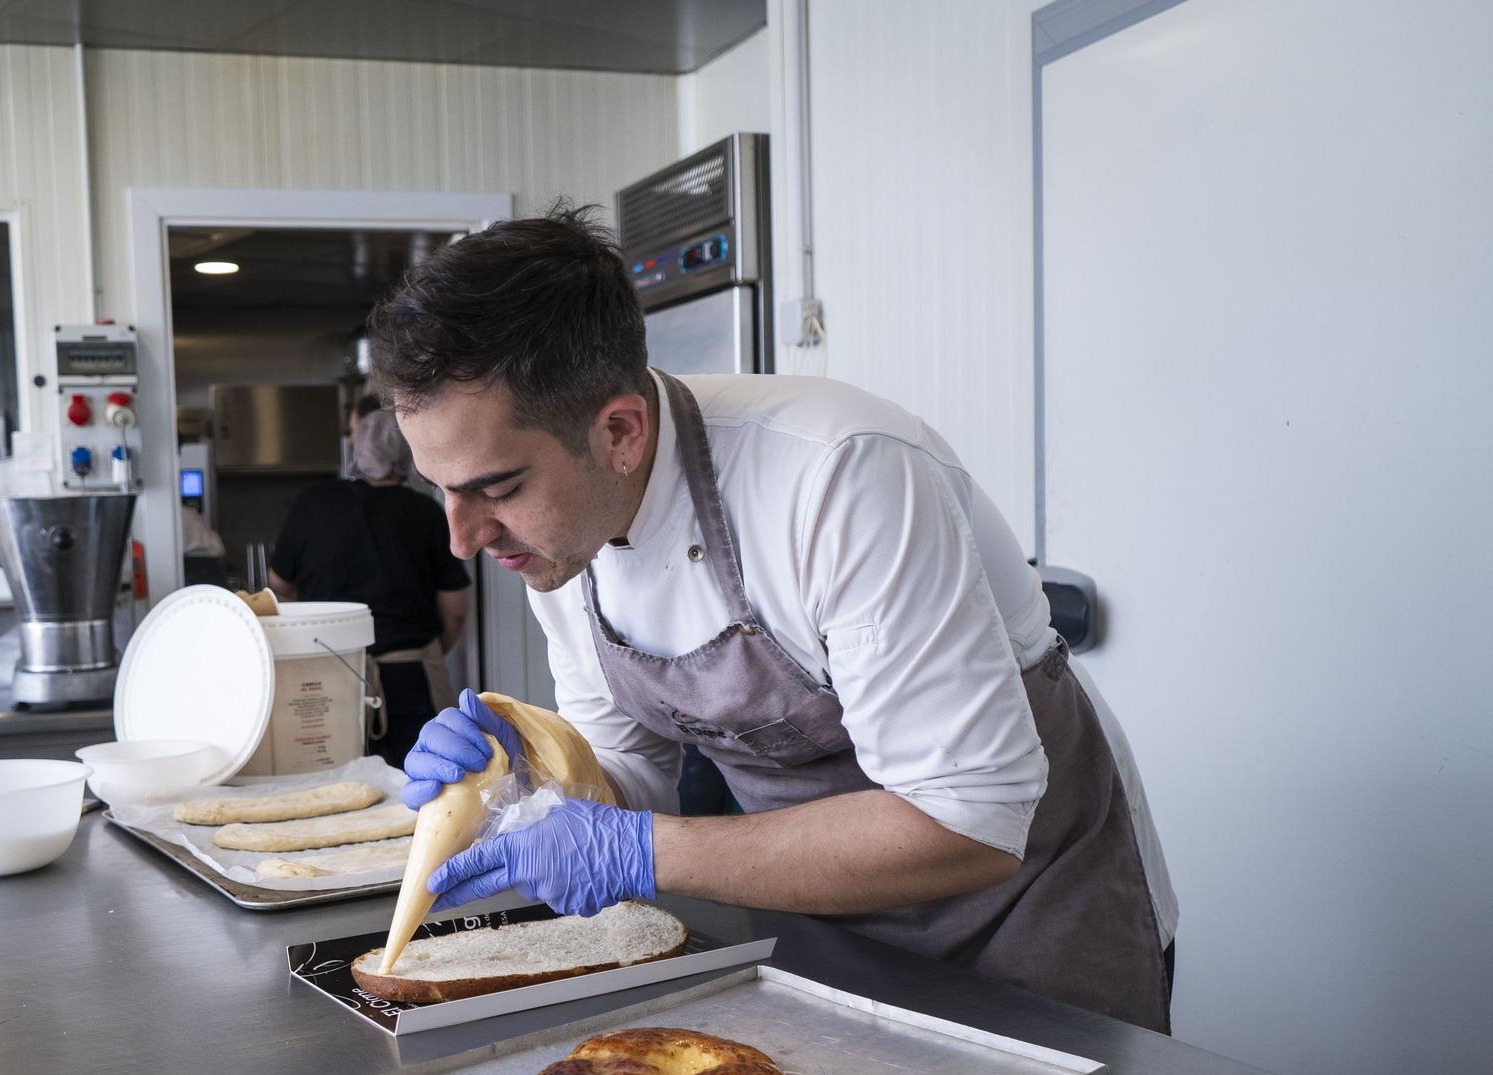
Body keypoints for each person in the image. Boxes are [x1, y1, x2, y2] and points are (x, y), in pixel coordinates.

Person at [373, 206, 1177, 1032]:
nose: (462, 538)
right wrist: (533, 778)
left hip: (1031, 921)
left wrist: (641, 853)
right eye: (443, 488)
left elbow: (968, 817)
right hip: (825, 919)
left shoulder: (838, 477)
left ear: (619, 431)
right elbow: (631, 765)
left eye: (496, 489)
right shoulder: (560, 537)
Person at [267, 406, 471, 767]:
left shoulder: (313, 502)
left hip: (330, 675)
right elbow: (454, 611)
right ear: (410, 453)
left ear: (357, 449)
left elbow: (277, 583)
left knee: (334, 785)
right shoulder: (425, 512)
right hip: (411, 675)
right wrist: (426, 652)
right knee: (426, 784)